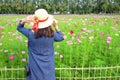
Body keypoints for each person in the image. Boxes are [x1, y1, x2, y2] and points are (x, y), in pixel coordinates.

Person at [17, 9, 64, 80]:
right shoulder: (52, 34)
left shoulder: (30, 34)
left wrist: (24, 20)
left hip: (34, 68)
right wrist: (56, 27)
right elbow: (61, 37)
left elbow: (19, 27)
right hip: (48, 68)